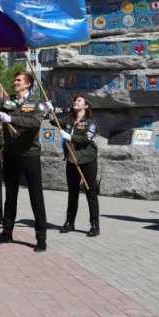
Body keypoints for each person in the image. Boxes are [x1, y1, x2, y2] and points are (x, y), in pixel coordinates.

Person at [0, 71, 48, 252]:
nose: (15, 83)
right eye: (14, 80)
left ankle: (41, 238)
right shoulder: (8, 101)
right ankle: (7, 232)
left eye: (18, 80)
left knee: (36, 196)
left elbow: (35, 123)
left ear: (28, 84)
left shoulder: (37, 102)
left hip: (29, 153)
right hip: (11, 154)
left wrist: (12, 119)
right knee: (10, 195)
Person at [59, 95, 100, 237]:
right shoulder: (69, 120)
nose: (76, 102)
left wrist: (69, 137)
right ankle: (70, 222)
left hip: (87, 160)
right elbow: (55, 121)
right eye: (75, 101)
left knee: (90, 192)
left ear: (86, 105)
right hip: (72, 161)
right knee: (72, 193)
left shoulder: (90, 122)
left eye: (79, 101)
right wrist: (48, 110)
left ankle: (94, 225)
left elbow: (85, 139)